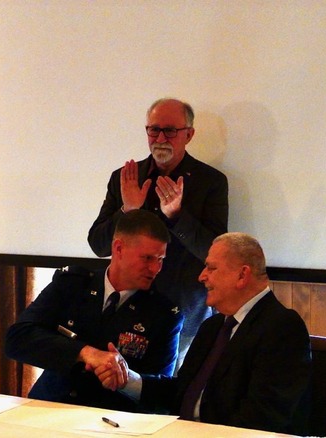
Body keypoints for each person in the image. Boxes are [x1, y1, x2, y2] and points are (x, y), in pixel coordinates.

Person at [96, 232, 311, 434]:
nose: (201, 276)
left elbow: (261, 420)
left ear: (242, 275)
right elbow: (182, 391)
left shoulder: (282, 327)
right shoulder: (214, 326)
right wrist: (127, 380)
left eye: (211, 268)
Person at [88, 98, 228, 366]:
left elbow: (213, 252)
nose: (161, 138)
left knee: (173, 386)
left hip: (184, 310)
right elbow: (98, 245)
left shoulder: (211, 182)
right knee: (120, 380)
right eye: (154, 130)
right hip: (127, 306)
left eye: (170, 130)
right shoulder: (125, 177)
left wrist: (176, 216)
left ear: (189, 134)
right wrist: (127, 210)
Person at [5, 209, 183, 411]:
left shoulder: (164, 314)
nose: (155, 269)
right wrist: (84, 353)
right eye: (147, 258)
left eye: (160, 259)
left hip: (111, 417)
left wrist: (124, 377)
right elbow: (16, 340)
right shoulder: (73, 284)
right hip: (51, 405)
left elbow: (159, 394)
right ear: (118, 248)